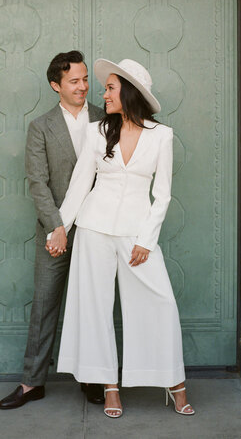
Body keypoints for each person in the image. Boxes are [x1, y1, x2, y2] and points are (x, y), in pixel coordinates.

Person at [46, 58, 195, 418]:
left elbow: (163, 195)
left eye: (110, 87)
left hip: (136, 233)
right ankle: (109, 387)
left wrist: (146, 239)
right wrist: (60, 226)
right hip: (94, 230)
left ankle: (174, 383)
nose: (102, 93)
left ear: (128, 92)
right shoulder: (98, 132)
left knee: (160, 304)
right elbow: (80, 184)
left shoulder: (162, 136)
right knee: (94, 308)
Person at [0, 51, 105, 410]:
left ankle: (92, 379)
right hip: (54, 232)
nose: (83, 86)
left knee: (93, 305)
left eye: (85, 79)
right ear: (55, 85)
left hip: (98, 229)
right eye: (74, 81)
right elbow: (38, 183)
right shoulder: (41, 127)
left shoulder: (106, 120)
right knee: (44, 305)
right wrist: (56, 227)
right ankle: (32, 383)